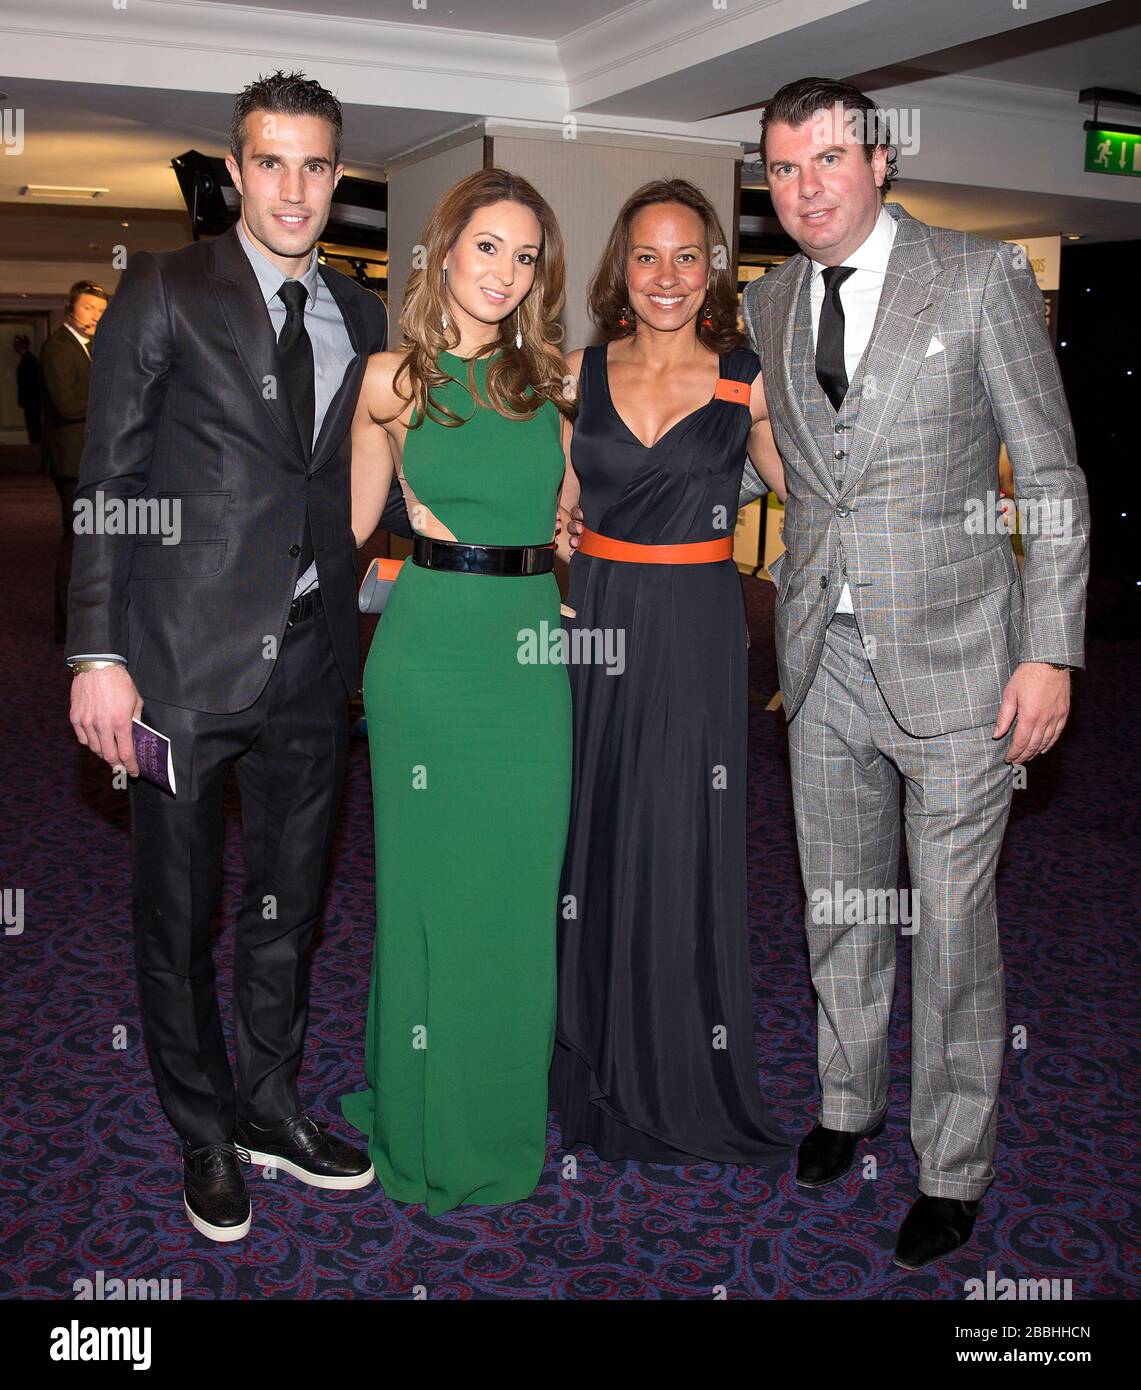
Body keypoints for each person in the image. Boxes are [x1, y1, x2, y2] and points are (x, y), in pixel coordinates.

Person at [737, 78, 1090, 1268]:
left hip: (962, 666)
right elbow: (789, 458)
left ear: (878, 161)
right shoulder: (771, 297)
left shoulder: (981, 277)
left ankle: (953, 1165)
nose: (806, 188)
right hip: (818, 661)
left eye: (829, 159)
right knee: (837, 906)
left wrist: (1050, 649)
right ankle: (847, 1101)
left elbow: (1047, 476)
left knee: (949, 929)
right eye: (784, 170)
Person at [66, 70, 411, 1242]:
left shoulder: (362, 314)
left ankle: (269, 1105)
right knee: (181, 909)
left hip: (314, 664)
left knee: (289, 907)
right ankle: (202, 1125)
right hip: (174, 664)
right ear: (233, 171)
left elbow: (352, 474)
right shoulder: (163, 289)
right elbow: (107, 485)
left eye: (317, 166)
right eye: (272, 162)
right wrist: (95, 656)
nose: (295, 188)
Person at [342, 168, 574, 1214]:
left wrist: (565, 569)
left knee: (516, 901)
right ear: (443, 251)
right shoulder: (392, 379)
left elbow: (571, 520)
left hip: (528, 664)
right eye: (488, 246)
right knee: (430, 898)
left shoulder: (551, 381)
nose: (505, 273)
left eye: (524, 256)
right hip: (429, 659)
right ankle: (418, 1107)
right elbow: (345, 529)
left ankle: (491, 1117)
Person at [549, 179, 793, 1168]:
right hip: (594, 627)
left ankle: (675, 1062)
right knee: (588, 837)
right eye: (646, 256)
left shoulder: (748, 381)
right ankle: (585, 1056)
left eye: (686, 256)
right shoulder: (577, 372)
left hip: (695, 634)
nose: (665, 276)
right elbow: (551, 505)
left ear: (712, 271)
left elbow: (824, 501)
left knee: (676, 838)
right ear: (622, 267)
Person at [39, 286, 106, 641]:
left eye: (100, 310)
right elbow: (66, 405)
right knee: (76, 541)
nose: (94, 315)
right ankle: (65, 626)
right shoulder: (57, 348)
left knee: (91, 540)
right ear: (70, 308)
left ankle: (81, 620)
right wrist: (111, 400)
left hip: (89, 458)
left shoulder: (89, 347)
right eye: (88, 307)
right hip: (70, 461)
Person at [13, 333, 41, 445]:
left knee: (33, 425)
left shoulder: (29, 361)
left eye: (16, 342)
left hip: (32, 401)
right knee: (32, 425)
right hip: (30, 400)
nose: (13, 345)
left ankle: (36, 446)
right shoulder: (26, 360)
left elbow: (30, 383)